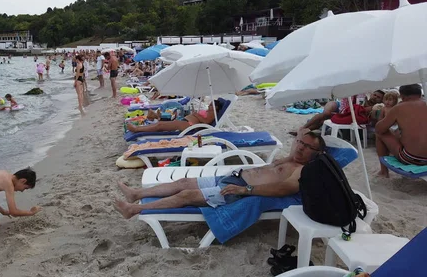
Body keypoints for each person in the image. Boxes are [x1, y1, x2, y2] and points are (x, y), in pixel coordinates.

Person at [114, 129, 325, 218]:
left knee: (186, 196)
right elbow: (303, 131)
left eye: (307, 147)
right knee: (184, 181)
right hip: (234, 177)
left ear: (317, 154)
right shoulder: (293, 158)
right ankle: (136, 194)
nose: (300, 147)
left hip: (238, 190)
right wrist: (302, 141)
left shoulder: (303, 170)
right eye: (300, 143)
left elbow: (283, 189)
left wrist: (246, 189)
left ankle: (133, 209)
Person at [375, 84, 427, 177]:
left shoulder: (399, 107)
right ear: (420, 94)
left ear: (402, 96)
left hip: (411, 158)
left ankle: (384, 172)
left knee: (380, 134)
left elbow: (379, 129)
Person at [289, 91, 384, 135]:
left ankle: (305, 130)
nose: (375, 97)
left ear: (381, 100)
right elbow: (345, 105)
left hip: (347, 115)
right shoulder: (362, 99)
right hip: (342, 109)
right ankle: (303, 128)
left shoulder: (376, 108)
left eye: (378, 97)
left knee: (324, 118)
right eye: (374, 94)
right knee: (325, 114)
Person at [126, 100, 222, 133]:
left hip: (188, 125)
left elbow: (206, 122)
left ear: (215, 107)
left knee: (160, 126)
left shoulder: (213, 113)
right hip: (186, 122)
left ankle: (137, 129)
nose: (209, 106)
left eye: (211, 105)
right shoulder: (209, 111)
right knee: (160, 124)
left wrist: (196, 114)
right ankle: (140, 127)